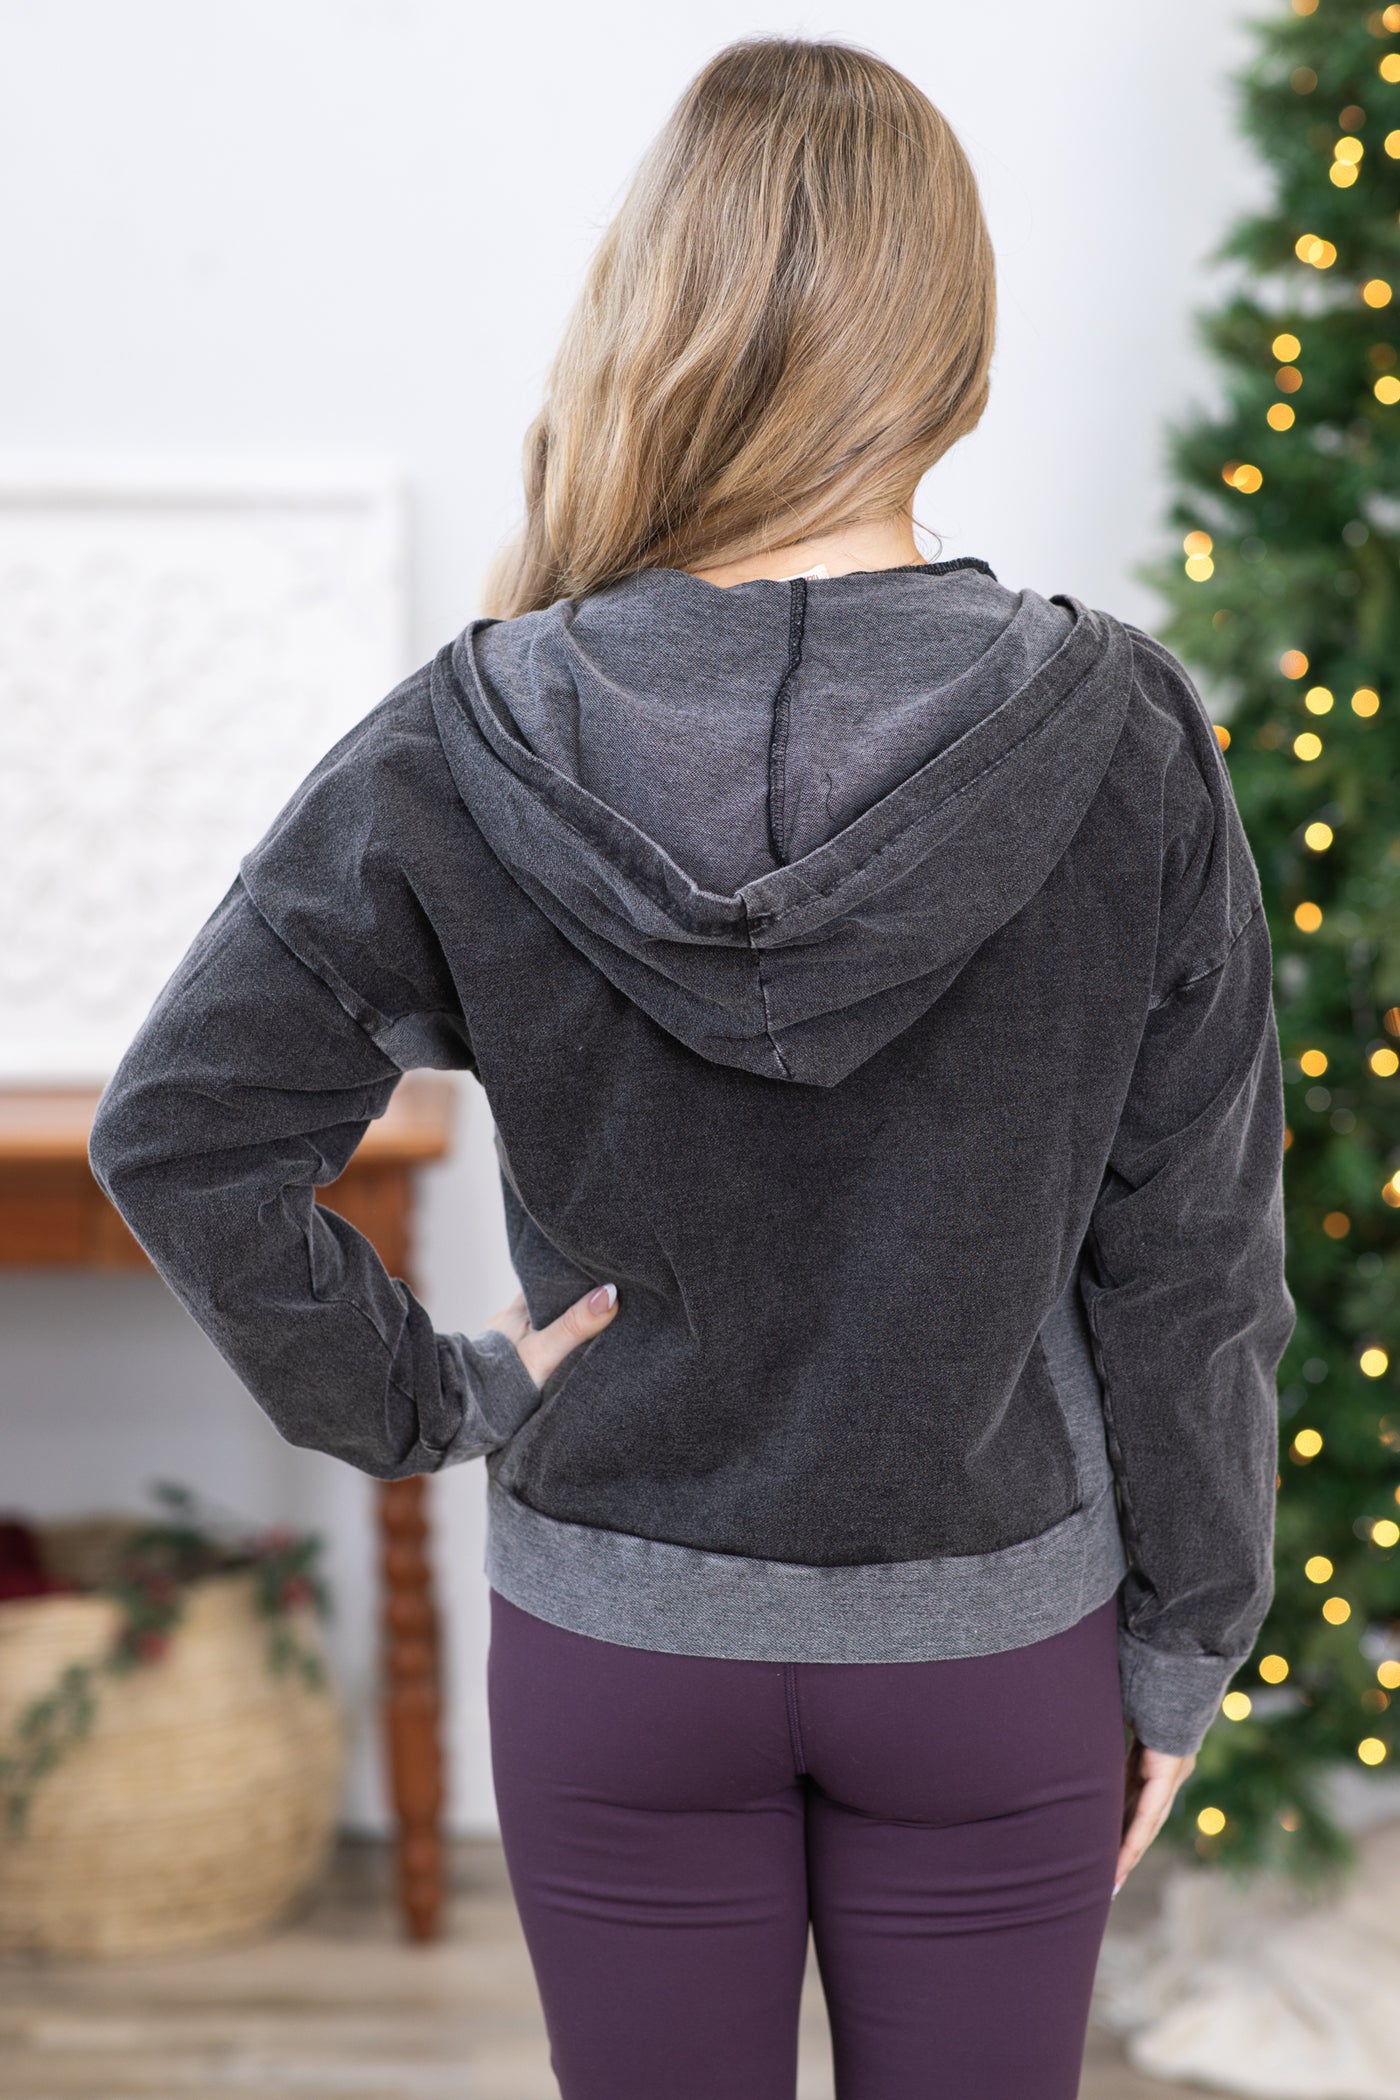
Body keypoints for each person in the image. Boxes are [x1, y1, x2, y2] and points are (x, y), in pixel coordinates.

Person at [87, 33, 1296, 2100]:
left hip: (619, 1646)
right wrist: (1187, 1639)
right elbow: (1193, 1255)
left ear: (663, 313)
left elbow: (182, 1132)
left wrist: (427, 1399)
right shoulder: (1122, 736)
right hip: (990, 1649)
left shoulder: (466, 730)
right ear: (951, 336)